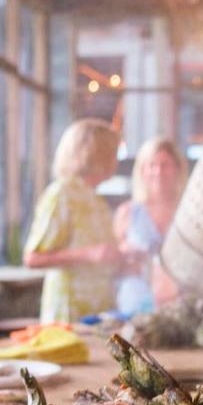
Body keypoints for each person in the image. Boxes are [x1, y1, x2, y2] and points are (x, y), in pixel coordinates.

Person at [24, 119, 129, 323]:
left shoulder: (95, 198)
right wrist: (89, 254)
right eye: (113, 151)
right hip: (68, 313)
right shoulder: (61, 194)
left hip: (97, 310)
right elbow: (33, 258)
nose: (116, 159)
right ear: (97, 154)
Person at [112, 137, 187, 315]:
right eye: (151, 165)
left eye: (165, 165)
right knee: (130, 343)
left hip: (180, 303)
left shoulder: (189, 213)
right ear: (142, 171)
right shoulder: (127, 212)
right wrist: (125, 257)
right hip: (135, 302)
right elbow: (112, 265)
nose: (158, 171)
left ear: (177, 169)